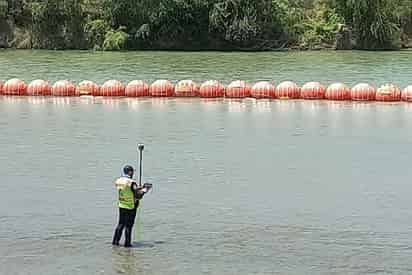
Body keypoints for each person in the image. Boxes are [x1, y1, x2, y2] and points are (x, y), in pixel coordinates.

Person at [112, 165, 148, 247]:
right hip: (131, 206)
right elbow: (137, 195)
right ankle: (127, 245)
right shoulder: (131, 182)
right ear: (130, 172)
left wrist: (140, 187)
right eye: (132, 172)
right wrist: (144, 190)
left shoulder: (119, 181)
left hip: (122, 205)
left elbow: (129, 190)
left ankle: (115, 243)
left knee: (120, 224)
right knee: (128, 226)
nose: (133, 173)